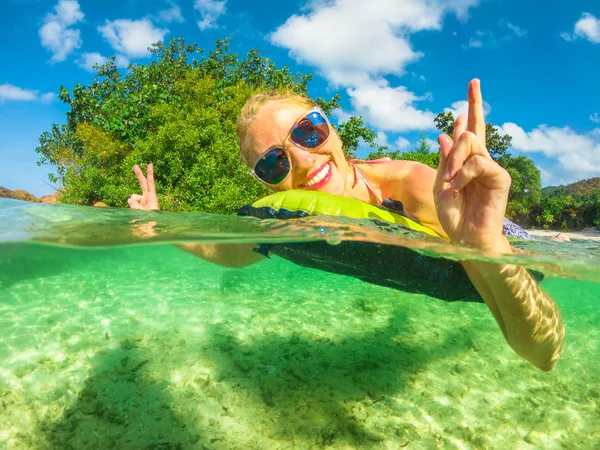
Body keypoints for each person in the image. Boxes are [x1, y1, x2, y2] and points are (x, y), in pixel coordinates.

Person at [128, 79, 565, 371]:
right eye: (273, 162)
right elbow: (228, 253)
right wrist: (159, 228)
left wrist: (484, 243)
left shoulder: (414, 187)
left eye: (307, 132)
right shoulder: (281, 221)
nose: (301, 159)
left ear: (332, 129)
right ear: (264, 181)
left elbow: (544, 353)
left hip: (505, 248)